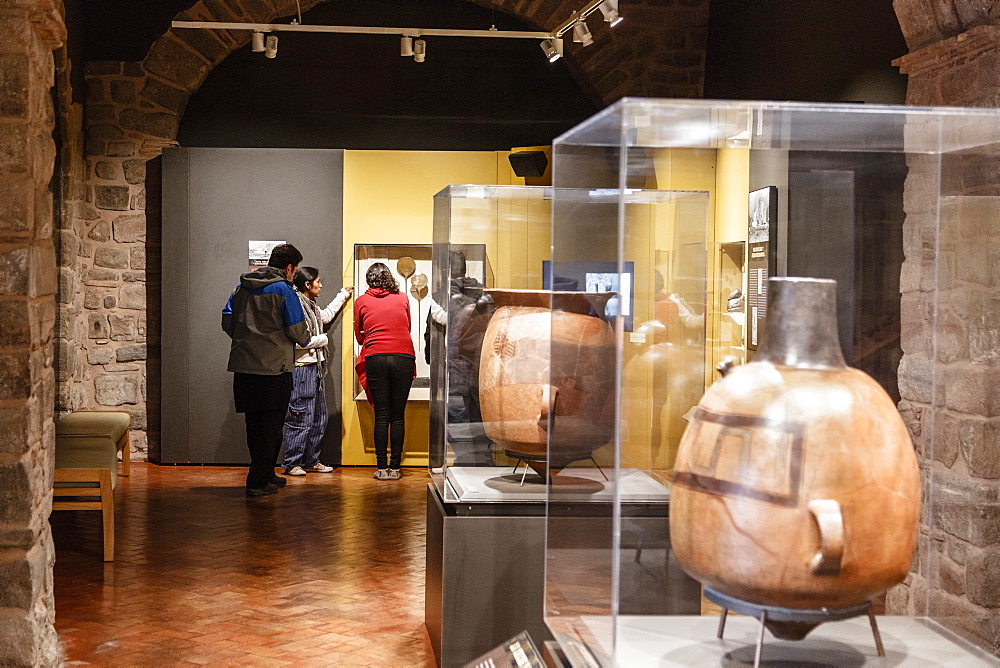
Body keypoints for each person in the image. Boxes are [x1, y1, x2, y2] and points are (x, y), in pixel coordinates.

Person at [222, 244, 310, 497]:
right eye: (295, 270)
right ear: (290, 268)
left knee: (254, 425)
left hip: (244, 367)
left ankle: (266, 473)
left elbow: (227, 320)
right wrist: (301, 338)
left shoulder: (241, 288)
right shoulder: (284, 289)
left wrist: (247, 338)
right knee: (272, 427)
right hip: (274, 369)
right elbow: (298, 331)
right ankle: (257, 480)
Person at [280, 267, 353, 476]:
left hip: (316, 368)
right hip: (302, 369)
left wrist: (343, 294)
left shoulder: (310, 306)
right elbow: (294, 341)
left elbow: (326, 316)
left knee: (319, 417)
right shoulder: (296, 307)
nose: (321, 285)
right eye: (318, 282)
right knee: (300, 416)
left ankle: (311, 460)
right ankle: (292, 462)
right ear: (307, 284)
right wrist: (322, 340)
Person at [425, 250, 495, 466]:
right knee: (480, 414)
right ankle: (484, 461)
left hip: (456, 365)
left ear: (445, 270)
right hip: (482, 365)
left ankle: (466, 462)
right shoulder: (485, 295)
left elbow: (431, 335)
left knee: (457, 416)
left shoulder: (442, 296)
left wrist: (432, 360)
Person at [354, 262, 415, 480]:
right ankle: (396, 468)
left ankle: (381, 468)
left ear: (369, 280)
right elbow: (406, 327)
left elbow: (359, 336)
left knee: (381, 415)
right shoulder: (403, 298)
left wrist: (371, 336)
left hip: (375, 356)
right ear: (389, 278)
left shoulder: (361, 301)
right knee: (398, 415)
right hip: (404, 356)